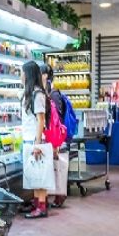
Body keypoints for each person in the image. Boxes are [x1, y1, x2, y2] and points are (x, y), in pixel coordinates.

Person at [19, 61, 53, 218]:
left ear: (28, 74)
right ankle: (36, 203)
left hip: (35, 140)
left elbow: (41, 120)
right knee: (34, 174)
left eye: (22, 72)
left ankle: (41, 206)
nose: (21, 75)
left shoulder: (38, 94)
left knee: (40, 174)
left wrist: (37, 143)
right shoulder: (29, 93)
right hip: (29, 140)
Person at [43, 64, 72, 208]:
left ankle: (60, 194)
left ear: (45, 76)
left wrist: (56, 143)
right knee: (56, 166)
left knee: (57, 165)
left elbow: (56, 119)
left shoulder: (53, 94)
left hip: (57, 137)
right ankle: (58, 194)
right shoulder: (50, 92)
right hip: (56, 137)